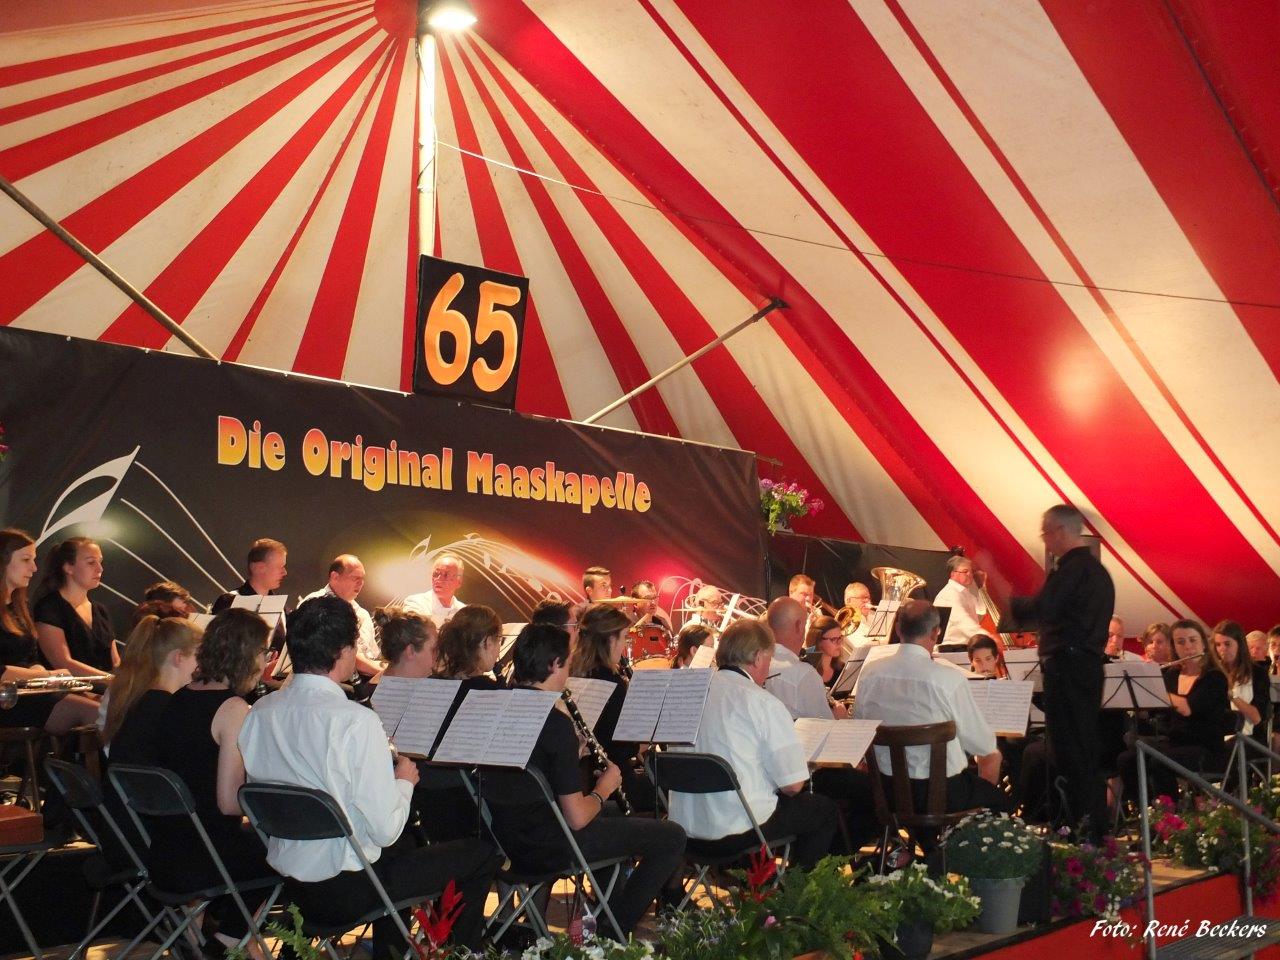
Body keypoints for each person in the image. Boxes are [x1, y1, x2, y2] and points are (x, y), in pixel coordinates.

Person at [239, 596, 499, 957]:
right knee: (480, 853)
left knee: (404, 847)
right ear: (343, 652)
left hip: (293, 884)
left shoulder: (259, 712)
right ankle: (455, 954)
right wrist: (404, 780)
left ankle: (390, 949)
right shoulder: (355, 721)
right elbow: (385, 830)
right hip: (351, 886)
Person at [492, 621, 685, 937]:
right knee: (671, 836)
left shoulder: (497, 708)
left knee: (614, 816)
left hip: (506, 837)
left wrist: (571, 756)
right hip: (550, 845)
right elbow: (578, 817)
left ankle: (606, 908)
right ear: (554, 664)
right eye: (567, 663)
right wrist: (603, 788)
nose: (569, 671)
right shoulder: (555, 723)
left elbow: (531, 771)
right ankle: (614, 930)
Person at [150, 608, 276, 956]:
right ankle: (226, 943)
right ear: (246, 655)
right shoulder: (233, 708)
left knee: (261, 843)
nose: (266, 661)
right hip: (204, 856)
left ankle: (217, 939)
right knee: (285, 849)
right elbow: (228, 802)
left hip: (165, 850)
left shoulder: (178, 697)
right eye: (264, 652)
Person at [667, 618, 837, 870]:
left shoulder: (687, 697)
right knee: (823, 810)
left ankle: (752, 878)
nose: (768, 667)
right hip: (739, 830)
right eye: (768, 659)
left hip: (686, 831)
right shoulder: (762, 702)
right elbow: (793, 786)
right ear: (758, 658)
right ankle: (794, 889)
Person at [1010, 505, 1113, 838]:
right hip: (1086, 666)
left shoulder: (1071, 571)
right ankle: (1091, 829)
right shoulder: (1098, 572)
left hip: (1067, 668)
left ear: (1059, 530)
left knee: (1071, 752)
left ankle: (1084, 832)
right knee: (1082, 749)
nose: (1045, 540)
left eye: (1046, 532)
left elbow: (1041, 609)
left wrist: (1004, 590)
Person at [853, 600, 1009, 815]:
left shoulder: (870, 674)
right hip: (943, 795)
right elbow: (983, 745)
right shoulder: (948, 679)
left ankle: (919, 837)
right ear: (935, 634)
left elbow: (860, 731)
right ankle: (966, 832)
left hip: (887, 793)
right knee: (994, 767)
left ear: (898, 629)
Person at [1118, 619, 1233, 804]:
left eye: (1192, 640)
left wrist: (1153, 689)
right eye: (1181, 642)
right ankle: (1145, 810)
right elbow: (1156, 711)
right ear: (1174, 647)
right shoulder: (1172, 674)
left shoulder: (1214, 677)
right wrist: (1139, 703)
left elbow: (1187, 708)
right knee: (1127, 759)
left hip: (1207, 750)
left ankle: (1171, 815)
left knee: (1160, 761)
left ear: (1204, 643)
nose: (1188, 647)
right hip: (1175, 745)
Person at [0, 529, 100, 733]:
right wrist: (48, 675)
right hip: (8, 701)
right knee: (97, 713)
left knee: (103, 706)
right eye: (26, 559)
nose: (34, 568)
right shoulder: (48, 607)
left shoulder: (20, 607)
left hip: (28, 692)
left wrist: (47, 677)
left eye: (34, 560)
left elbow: (31, 658)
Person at [567, 603, 653, 810]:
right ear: (611, 640)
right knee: (671, 787)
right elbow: (619, 748)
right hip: (613, 783)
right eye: (624, 638)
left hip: (580, 781)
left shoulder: (570, 674)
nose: (624, 645)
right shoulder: (612, 683)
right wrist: (648, 740)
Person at [103, 615, 202, 764]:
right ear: (179, 657)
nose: (203, 664)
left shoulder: (136, 697)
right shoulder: (170, 708)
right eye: (200, 656)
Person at [34, 537, 118, 675]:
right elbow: (62, 663)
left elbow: (115, 661)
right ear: (68, 567)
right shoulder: (49, 608)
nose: (100, 568)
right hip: (68, 687)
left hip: (105, 686)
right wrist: (109, 680)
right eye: (91, 562)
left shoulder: (100, 610)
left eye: (100, 562)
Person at [302, 555, 380, 682]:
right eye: (355, 578)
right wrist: (384, 672)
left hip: (362, 681)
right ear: (335, 577)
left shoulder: (363, 614)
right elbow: (336, 655)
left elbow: (372, 655)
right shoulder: (315, 604)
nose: (360, 583)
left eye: (362, 579)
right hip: (327, 682)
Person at [764, 598, 845, 719]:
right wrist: (838, 716)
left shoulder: (755, 664)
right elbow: (825, 724)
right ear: (798, 626)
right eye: (805, 623)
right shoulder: (804, 674)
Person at [211, 538, 289, 657]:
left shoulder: (282, 606)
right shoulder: (229, 602)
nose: (285, 572)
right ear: (259, 568)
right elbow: (219, 650)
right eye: (280, 566)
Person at [1213, 620, 1268, 738]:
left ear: (1240, 644)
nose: (1222, 649)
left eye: (1227, 644)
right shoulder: (1214, 672)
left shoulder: (1258, 673)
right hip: (1219, 734)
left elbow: (1256, 718)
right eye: (1218, 645)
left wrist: (1232, 696)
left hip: (1250, 737)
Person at [932, 557, 988, 649]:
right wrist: (988, 637)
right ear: (953, 574)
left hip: (963, 647)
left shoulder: (965, 592)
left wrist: (981, 587)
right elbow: (963, 622)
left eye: (971, 571)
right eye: (965, 571)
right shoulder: (949, 593)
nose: (970, 574)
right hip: (950, 648)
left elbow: (981, 610)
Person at [403, 553, 465, 628]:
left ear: (459, 581)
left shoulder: (463, 611)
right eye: (436, 574)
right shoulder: (415, 602)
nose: (439, 579)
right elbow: (414, 630)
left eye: (446, 575)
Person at [803, 616, 845, 687]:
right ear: (818, 641)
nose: (839, 643)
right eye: (834, 639)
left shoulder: (842, 669)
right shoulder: (805, 669)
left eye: (840, 638)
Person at [840, 582, 874, 656]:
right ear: (848, 601)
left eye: (868, 597)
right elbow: (862, 648)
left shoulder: (876, 615)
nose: (867, 601)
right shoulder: (845, 625)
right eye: (862, 598)